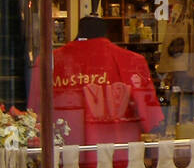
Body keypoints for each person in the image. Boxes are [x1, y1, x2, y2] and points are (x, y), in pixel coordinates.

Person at [29, 15, 163, 145]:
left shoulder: (46, 62)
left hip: (65, 158)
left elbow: (34, 118)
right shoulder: (133, 62)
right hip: (117, 157)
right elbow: (151, 120)